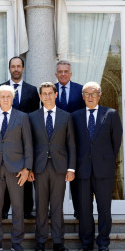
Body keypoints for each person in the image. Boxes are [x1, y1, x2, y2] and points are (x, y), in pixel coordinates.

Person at [72, 82, 122, 251]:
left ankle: (103, 243)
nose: (90, 96)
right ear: (83, 96)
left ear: (99, 95)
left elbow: (116, 143)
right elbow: (73, 144)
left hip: (103, 170)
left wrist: (106, 160)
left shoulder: (111, 114)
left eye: (94, 93)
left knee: (104, 208)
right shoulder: (76, 116)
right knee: (84, 210)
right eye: (87, 93)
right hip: (83, 170)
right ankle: (86, 243)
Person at [28, 82, 76, 251]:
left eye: (50, 93)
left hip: (59, 167)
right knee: (41, 205)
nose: (47, 96)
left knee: (57, 205)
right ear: (40, 96)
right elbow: (29, 145)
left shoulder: (66, 116)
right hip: (39, 167)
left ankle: (58, 241)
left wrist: (71, 168)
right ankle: (40, 241)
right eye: (44, 93)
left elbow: (71, 144)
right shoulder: (32, 117)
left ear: (56, 95)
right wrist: (29, 168)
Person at [0, 85, 33, 251]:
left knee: (18, 206)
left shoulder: (22, 117)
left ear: (13, 99)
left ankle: (16, 242)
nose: (5, 99)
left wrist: (27, 168)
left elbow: (28, 144)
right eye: (2, 97)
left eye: (8, 97)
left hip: (17, 169)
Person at [1, 56, 39, 220]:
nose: (16, 69)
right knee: (5, 175)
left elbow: (36, 114)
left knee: (25, 172)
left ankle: (27, 209)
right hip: (6, 139)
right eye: (13, 66)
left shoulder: (32, 90)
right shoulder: (1, 89)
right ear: (9, 69)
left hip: (24, 138)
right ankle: (3, 209)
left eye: (18, 66)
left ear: (23, 69)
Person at [54, 60, 85, 219]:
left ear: (71, 73)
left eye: (66, 71)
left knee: (76, 180)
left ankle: (79, 212)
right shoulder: (50, 91)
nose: (63, 74)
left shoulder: (80, 90)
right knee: (55, 181)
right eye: (60, 71)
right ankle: (54, 213)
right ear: (56, 74)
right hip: (56, 143)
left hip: (76, 141)